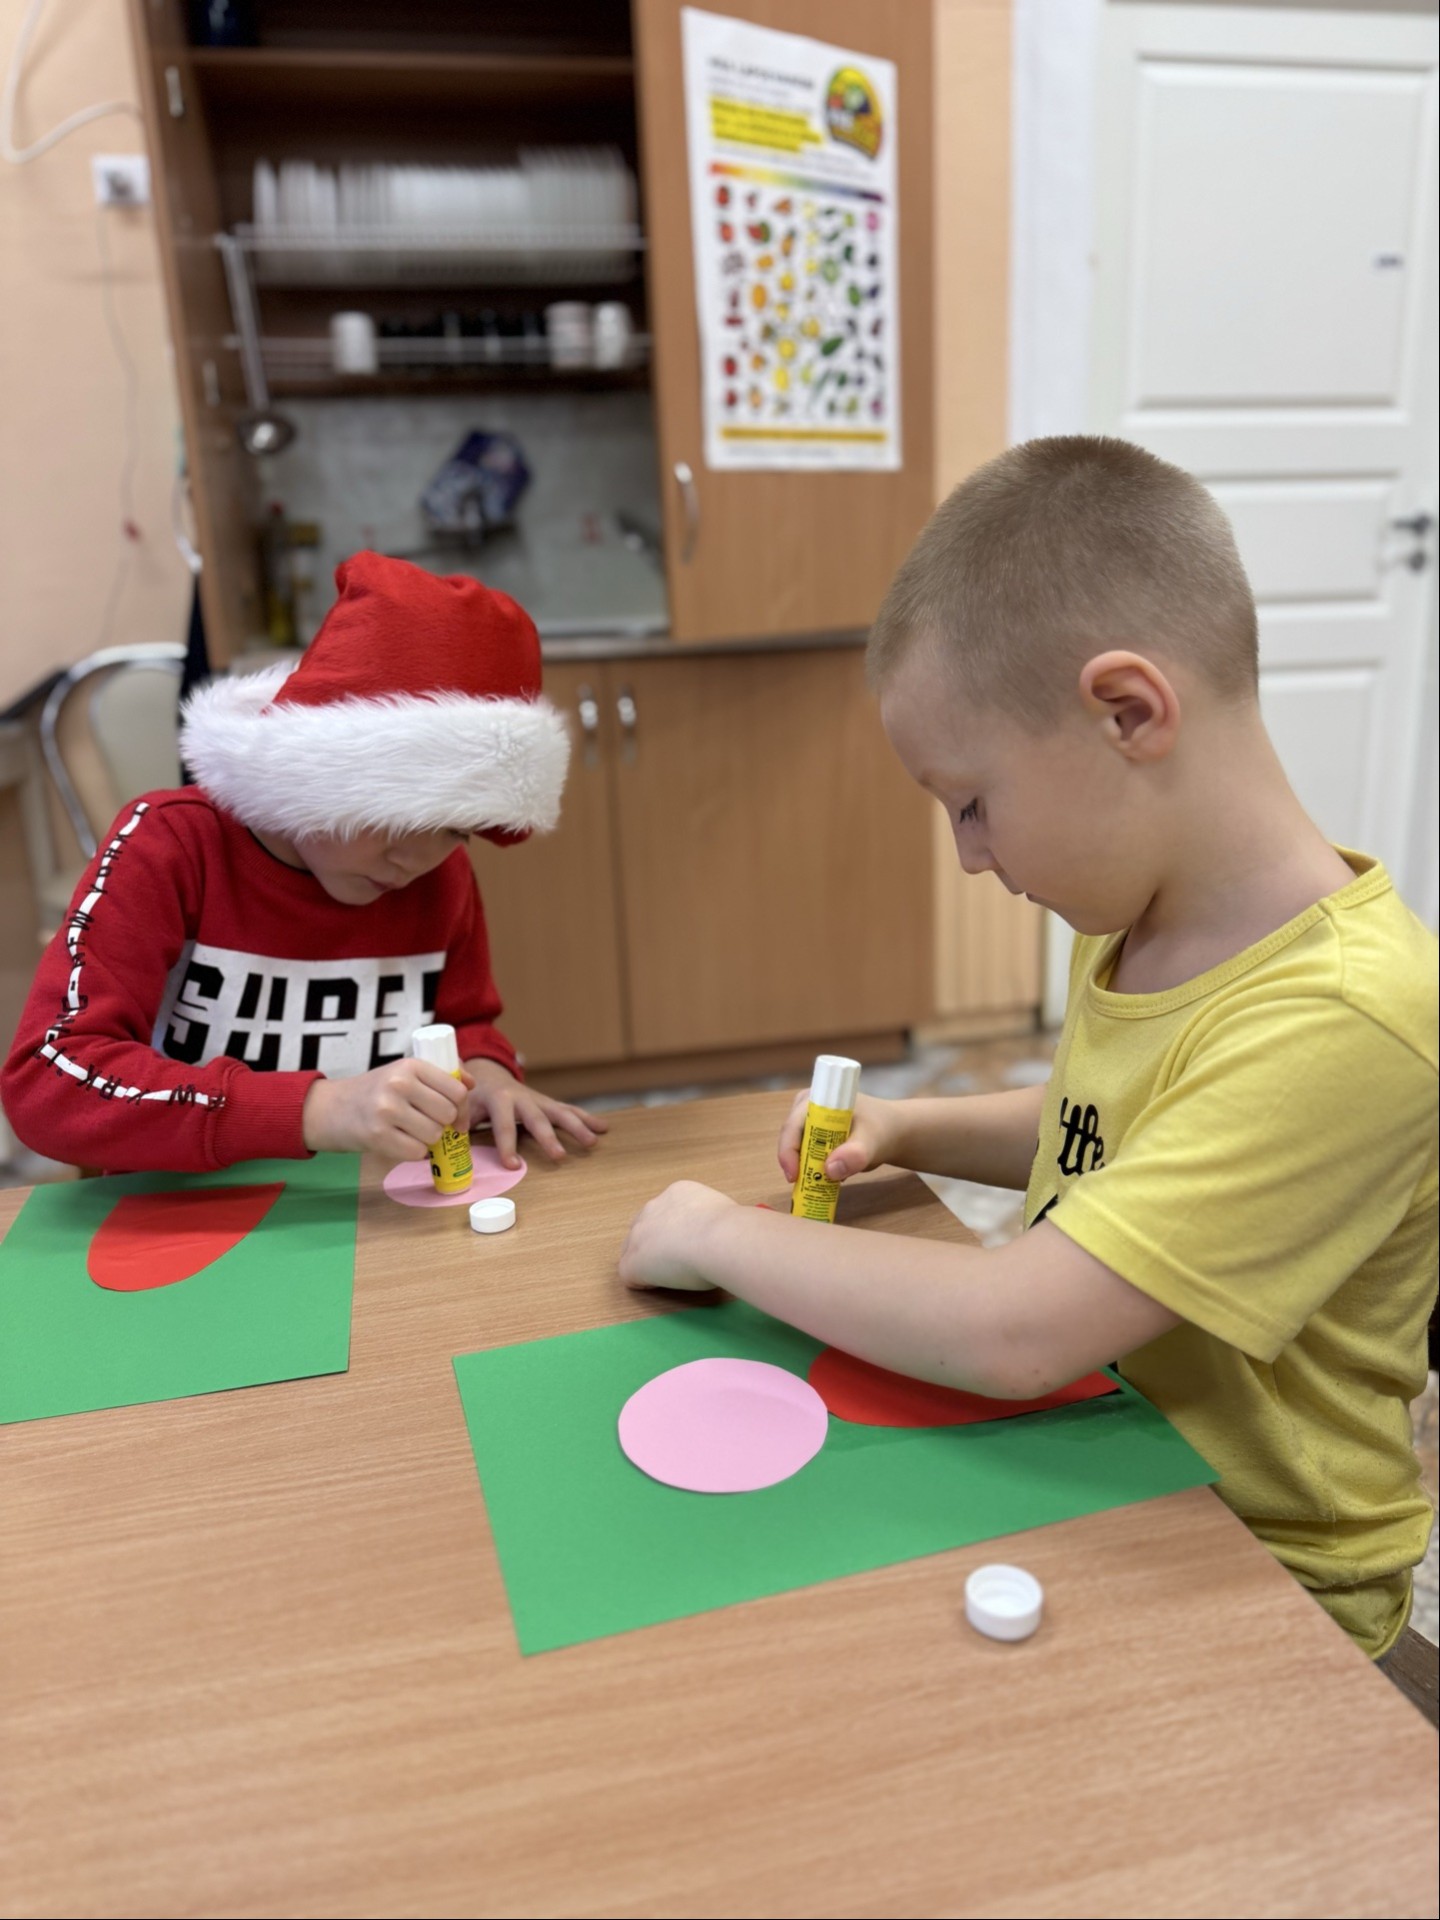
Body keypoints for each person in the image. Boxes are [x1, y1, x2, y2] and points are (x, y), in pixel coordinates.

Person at [618, 436, 1438, 1659]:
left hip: (1264, 1580)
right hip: (1111, 1462)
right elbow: (1107, 1131)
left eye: (973, 802)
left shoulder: (1347, 1016)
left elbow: (1018, 1332)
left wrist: (718, 1234)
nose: (970, 855)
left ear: (1127, 712)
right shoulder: (1140, 923)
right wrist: (915, 1125)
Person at [2, 552, 604, 1175]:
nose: (414, 859)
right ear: (315, 766)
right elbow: (47, 1079)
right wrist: (317, 1109)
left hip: (365, 1206)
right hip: (176, 1206)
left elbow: (462, 1023)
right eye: (392, 815)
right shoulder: (170, 845)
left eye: (455, 829)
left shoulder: (438, 876)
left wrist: (487, 1074)